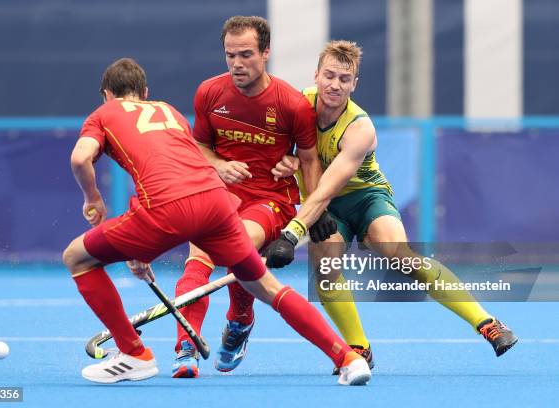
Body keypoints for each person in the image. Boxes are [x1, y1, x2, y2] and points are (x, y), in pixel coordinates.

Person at [61, 57, 370, 386]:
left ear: (107, 95)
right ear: (145, 92)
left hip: (171, 207)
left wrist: (92, 198)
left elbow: (81, 157)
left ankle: (135, 354)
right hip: (216, 202)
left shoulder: (103, 114)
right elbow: (178, 168)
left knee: (76, 258)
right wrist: (137, 248)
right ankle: (347, 358)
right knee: (266, 286)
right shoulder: (169, 112)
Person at [264, 40, 518, 372]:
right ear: (316, 75)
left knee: (397, 253)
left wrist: (293, 231)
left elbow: (332, 181)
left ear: (354, 84)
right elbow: (282, 153)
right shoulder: (298, 106)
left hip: (365, 197)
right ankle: (358, 347)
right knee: (325, 269)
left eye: (344, 79)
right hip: (323, 203)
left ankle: (487, 323)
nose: (335, 85)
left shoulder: (360, 128)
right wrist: (288, 162)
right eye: (329, 76)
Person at [171, 15, 335, 378]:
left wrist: (312, 208)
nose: (236, 64)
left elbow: (308, 159)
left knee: (237, 245)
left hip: (269, 197)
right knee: (197, 260)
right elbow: (198, 146)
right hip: (219, 193)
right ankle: (186, 344)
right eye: (230, 55)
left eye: (246, 55)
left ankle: (240, 321)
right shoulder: (209, 92)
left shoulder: (291, 104)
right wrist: (217, 165)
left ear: (266, 53)